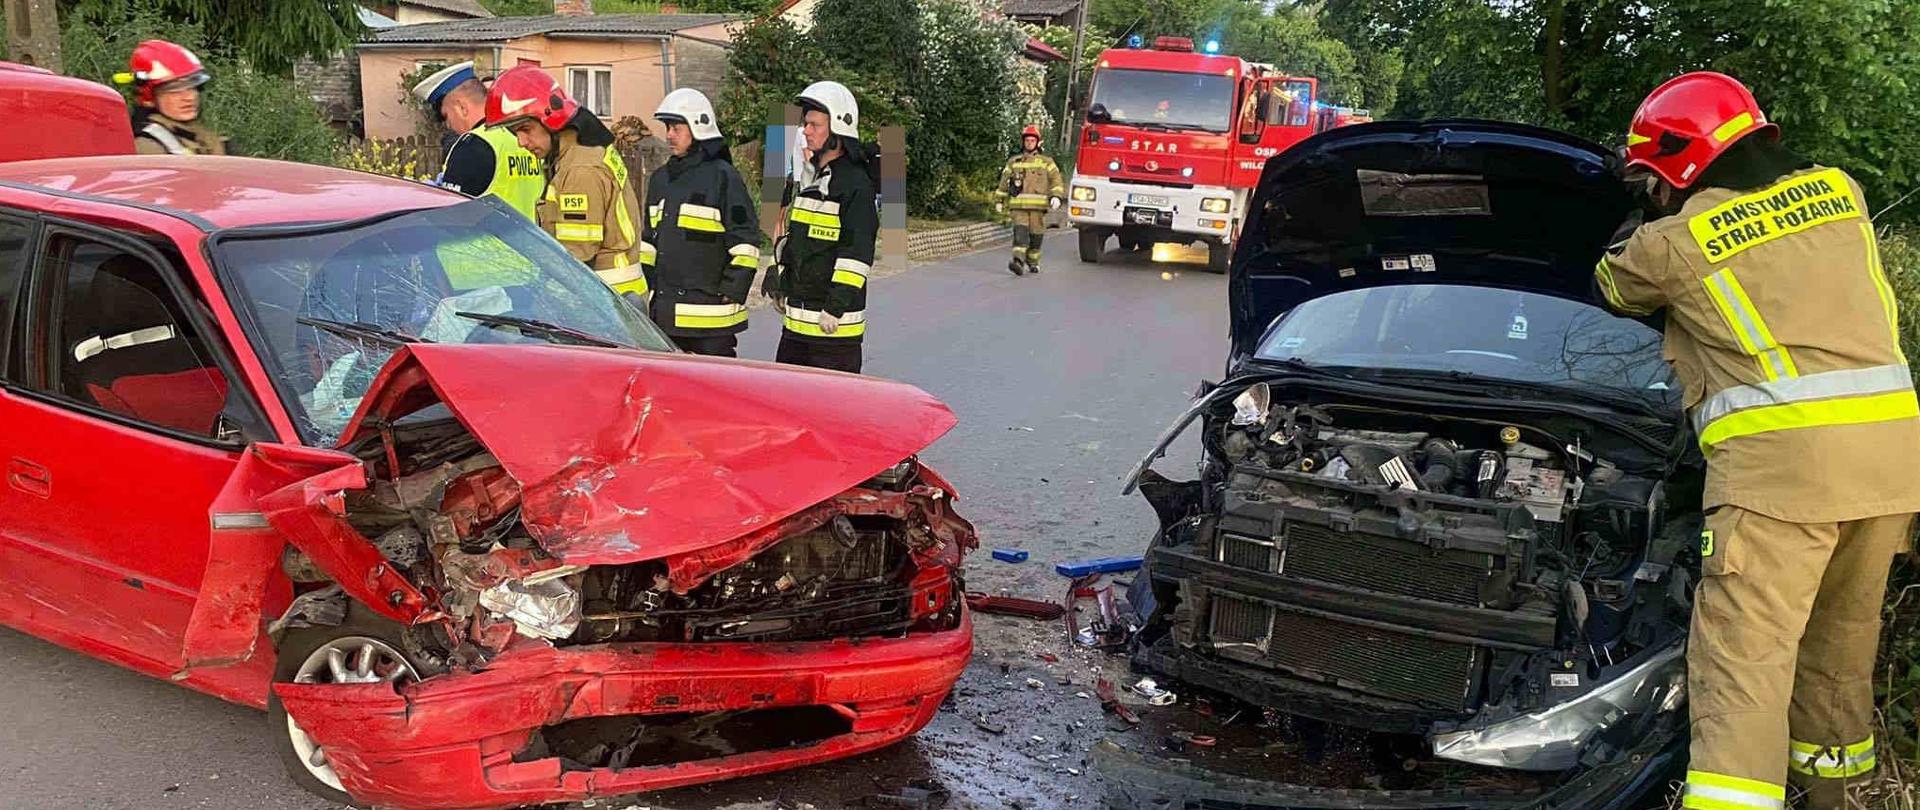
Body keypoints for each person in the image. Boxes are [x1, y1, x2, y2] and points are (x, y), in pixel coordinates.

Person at [1593, 71, 1920, 810]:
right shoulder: (1842, 192)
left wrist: (1640, 208)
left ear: (1671, 167)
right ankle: (1831, 795)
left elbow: (1609, 287)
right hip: (1891, 468)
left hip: (1783, 479)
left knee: (1745, 668)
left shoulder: (1671, 244)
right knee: (1838, 648)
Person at [483, 65, 648, 301]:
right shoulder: (578, 151)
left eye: (526, 129)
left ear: (551, 117)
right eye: (514, 132)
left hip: (603, 303)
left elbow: (575, 257)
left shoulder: (579, 169)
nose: (521, 142)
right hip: (612, 297)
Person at [764, 80, 878, 373]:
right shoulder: (813, 178)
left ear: (838, 129)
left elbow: (856, 255)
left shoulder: (855, 185)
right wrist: (780, 279)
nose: (806, 131)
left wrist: (835, 307)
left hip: (833, 334)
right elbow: (799, 243)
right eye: (805, 124)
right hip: (796, 328)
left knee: (832, 414)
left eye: (814, 124)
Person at [637, 88, 761, 357]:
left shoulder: (724, 177)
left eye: (676, 127)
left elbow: (746, 240)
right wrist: (648, 287)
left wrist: (733, 288)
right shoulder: (661, 179)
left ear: (699, 127)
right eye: (667, 127)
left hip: (712, 320)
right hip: (666, 316)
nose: (669, 134)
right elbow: (649, 242)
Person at [411, 62, 543, 221]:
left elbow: (451, 215)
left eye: (446, 116)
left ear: (461, 107)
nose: (448, 125)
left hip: (477, 243)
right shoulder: (522, 137)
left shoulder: (473, 145)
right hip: (522, 242)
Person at [117, 40, 226, 156]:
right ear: (149, 98)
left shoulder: (202, 137)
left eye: (192, 87)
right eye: (175, 90)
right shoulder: (148, 147)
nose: (189, 97)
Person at [995, 124, 1065, 276]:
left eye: (1032, 140)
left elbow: (1056, 181)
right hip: (1018, 207)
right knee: (1020, 234)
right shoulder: (1014, 162)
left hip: (1037, 209)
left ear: (1038, 142)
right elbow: (1004, 182)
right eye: (1027, 140)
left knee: (1036, 236)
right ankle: (1017, 261)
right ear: (1023, 142)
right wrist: (999, 200)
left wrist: (1056, 196)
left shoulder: (1047, 162)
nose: (1029, 143)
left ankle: (1033, 261)